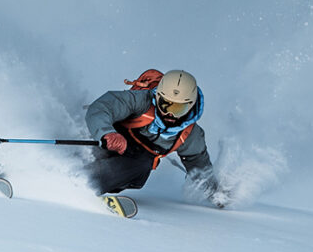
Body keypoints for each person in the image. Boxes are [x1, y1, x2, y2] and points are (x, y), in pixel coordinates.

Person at [84, 69, 229, 208]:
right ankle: (74, 171)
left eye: (178, 109)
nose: (169, 114)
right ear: (157, 97)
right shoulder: (142, 101)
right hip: (111, 139)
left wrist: (216, 195)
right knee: (96, 151)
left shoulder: (190, 135)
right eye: (165, 105)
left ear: (190, 106)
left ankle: (86, 184)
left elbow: (200, 168)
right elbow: (102, 107)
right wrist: (107, 133)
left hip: (133, 163)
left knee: (142, 164)